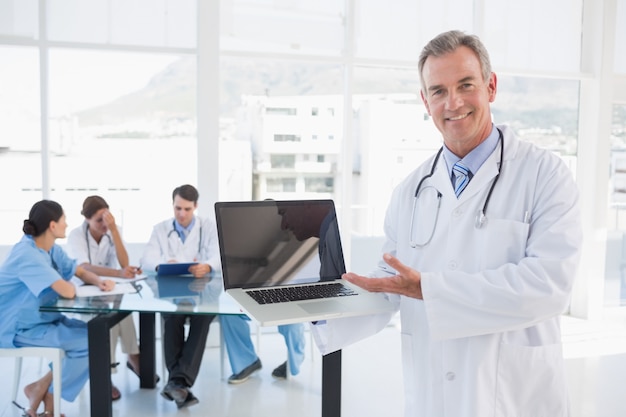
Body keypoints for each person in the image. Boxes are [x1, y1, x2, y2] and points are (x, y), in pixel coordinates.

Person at [310, 30, 583, 417]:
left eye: (465, 85)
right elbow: (391, 286)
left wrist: (431, 290)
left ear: (490, 86)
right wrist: (315, 304)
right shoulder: (411, 191)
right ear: (425, 101)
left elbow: (550, 286)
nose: (452, 103)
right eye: (438, 91)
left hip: (513, 396)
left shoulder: (545, 174)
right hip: (434, 395)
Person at [0, 200, 115, 417]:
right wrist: (68, 284)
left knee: (96, 336)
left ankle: (41, 389)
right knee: (92, 343)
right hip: (18, 328)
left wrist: (98, 281)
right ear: (53, 226)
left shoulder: (49, 248)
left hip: (42, 321)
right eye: (63, 220)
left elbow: (78, 271)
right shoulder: (28, 254)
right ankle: (49, 395)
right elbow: (68, 291)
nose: (67, 224)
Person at [222, 200, 344, 384]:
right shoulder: (252, 241)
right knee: (229, 315)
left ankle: (294, 361)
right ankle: (247, 362)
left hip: (290, 294)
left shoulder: (300, 237)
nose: (281, 224)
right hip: (256, 294)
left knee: (291, 318)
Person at [140, 184, 221, 409]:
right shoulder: (160, 229)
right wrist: (162, 264)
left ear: (195, 206)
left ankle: (177, 381)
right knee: (172, 317)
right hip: (172, 292)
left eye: (186, 209)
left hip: (202, 290)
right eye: (177, 208)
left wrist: (207, 265)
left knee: (202, 318)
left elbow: (219, 255)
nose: (181, 214)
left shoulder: (209, 227)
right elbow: (146, 258)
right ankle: (180, 384)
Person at [66, 195, 151, 401]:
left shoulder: (113, 230)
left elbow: (124, 263)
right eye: (99, 221)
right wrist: (119, 274)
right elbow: (84, 267)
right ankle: (111, 370)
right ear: (86, 219)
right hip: (85, 291)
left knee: (121, 311)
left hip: (109, 288)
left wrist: (114, 231)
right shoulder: (76, 235)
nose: (104, 224)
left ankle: (128, 357)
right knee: (107, 315)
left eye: (107, 218)